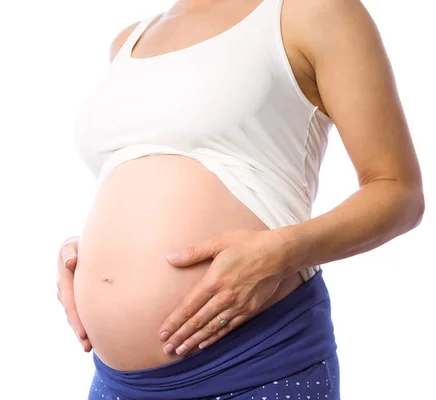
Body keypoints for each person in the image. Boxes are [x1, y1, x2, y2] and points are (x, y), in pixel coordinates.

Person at [56, 0, 424, 398]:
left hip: (254, 362)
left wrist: (280, 252)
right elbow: (141, 180)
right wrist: (90, 258)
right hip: (118, 383)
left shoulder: (314, 11)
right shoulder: (129, 40)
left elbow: (398, 191)